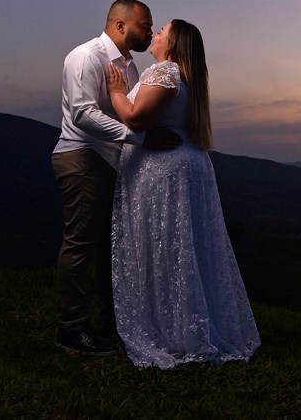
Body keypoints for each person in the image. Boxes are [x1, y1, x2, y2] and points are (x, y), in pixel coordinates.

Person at [106, 18, 260, 369]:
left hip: (164, 171)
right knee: (182, 247)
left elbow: (135, 118)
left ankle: (171, 329)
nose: (156, 34)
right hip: (187, 166)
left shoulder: (166, 73)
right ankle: (186, 323)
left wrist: (116, 91)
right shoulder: (187, 79)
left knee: (164, 246)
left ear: (174, 44)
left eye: (162, 31)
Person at [50, 0, 180, 355]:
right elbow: (82, 114)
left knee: (112, 248)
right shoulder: (87, 57)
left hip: (113, 164)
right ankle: (71, 331)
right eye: (144, 25)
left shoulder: (130, 68)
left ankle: (114, 323)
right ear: (120, 26)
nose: (150, 32)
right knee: (81, 245)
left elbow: (131, 113)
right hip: (83, 159)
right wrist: (140, 138)